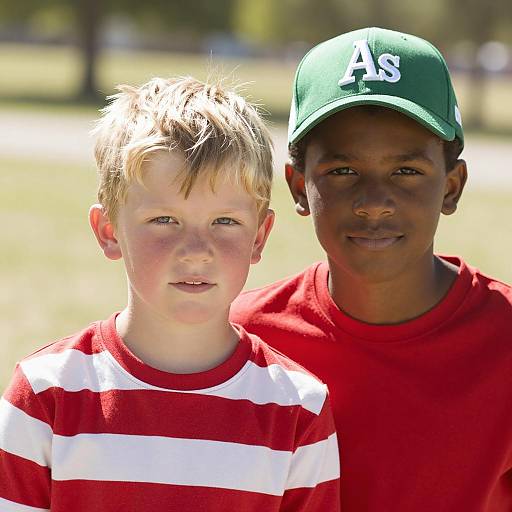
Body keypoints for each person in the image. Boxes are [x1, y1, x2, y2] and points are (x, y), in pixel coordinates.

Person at [0, 77, 340, 511]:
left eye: (225, 222)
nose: (197, 251)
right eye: (164, 220)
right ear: (109, 231)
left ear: (260, 236)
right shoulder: (46, 394)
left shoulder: (297, 409)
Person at [231, 27, 512, 511]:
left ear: (451, 185)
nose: (374, 203)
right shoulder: (240, 339)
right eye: (343, 171)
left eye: (406, 171)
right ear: (299, 186)